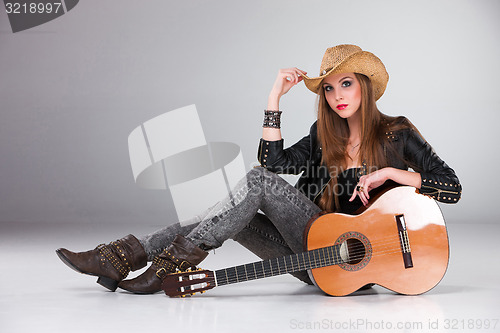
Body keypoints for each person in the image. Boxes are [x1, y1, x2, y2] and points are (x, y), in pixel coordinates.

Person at [56, 44, 461, 295]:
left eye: (347, 84)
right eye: (329, 88)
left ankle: (136, 257)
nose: (338, 95)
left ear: (365, 86)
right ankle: (131, 256)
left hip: (349, 267)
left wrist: (392, 175)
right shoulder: (324, 137)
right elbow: (274, 165)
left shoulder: (397, 132)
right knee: (226, 211)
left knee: (244, 189)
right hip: (307, 244)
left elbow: (451, 187)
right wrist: (274, 98)